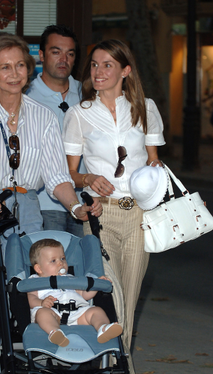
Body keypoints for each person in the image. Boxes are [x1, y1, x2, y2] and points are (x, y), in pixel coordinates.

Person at [0, 33, 102, 374]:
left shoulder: (42, 116)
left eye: (20, 65)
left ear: (29, 68)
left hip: (26, 209)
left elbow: (57, 178)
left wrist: (76, 208)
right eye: (5, 66)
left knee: (29, 300)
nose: (14, 73)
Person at [62, 39, 166, 349]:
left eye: (108, 65)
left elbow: (154, 163)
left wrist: (156, 176)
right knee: (111, 299)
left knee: (127, 307)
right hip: (99, 216)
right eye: (94, 64)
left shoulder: (145, 108)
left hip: (138, 216)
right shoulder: (79, 114)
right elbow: (68, 174)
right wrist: (89, 178)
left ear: (126, 70)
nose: (98, 71)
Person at [27, 24, 86, 237]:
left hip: (84, 201)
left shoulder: (86, 93)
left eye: (70, 54)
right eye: (56, 52)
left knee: (86, 267)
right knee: (49, 268)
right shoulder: (26, 97)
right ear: (41, 55)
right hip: (44, 203)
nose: (64, 59)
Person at [28, 238, 122, 346]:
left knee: (96, 311)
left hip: (77, 313)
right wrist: (41, 303)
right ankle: (54, 332)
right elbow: (30, 297)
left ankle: (103, 328)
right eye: (53, 261)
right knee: (42, 313)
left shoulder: (71, 278)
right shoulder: (35, 281)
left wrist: (96, 285)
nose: (60, 263)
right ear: (38, 268)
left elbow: (83, 294)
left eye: (63, 258)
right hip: (53, 313)